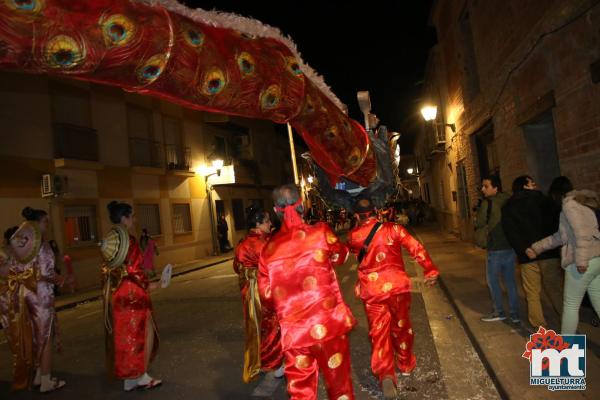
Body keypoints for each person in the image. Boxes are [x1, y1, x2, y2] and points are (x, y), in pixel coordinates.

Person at [258, 184, 356, 400]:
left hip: (295, 334)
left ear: (276, 211)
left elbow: (265, 297)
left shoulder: (267, 251)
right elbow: (341, 255)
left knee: (300, 392)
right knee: (339, 386)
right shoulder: (321, 233)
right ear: (302, 205)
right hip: (328, 326)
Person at [347, 197, 439, 399]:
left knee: (378, 332)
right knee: (401, 326)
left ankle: (385, 374)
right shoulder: (394, 229)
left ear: (356, 216)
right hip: (397, 287)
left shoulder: (354, 236)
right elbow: (416, 247)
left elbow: (355, 254)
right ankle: (405, 363)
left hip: (371, 291)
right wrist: (430, 270)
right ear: (376, 211)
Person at [6, 208, 67, 392]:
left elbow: (13, 268)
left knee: (35, 336)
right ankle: (47, 381)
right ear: (37, 223)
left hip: (25, 294)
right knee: (46, 336)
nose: (47, 225)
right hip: (41, 295)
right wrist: (60, 279)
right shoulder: (42, 244)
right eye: (45, 221)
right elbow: (47, 273)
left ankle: (39, 375)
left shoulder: (19, 242)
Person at [104, 201, 161, 391]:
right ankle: (142, 375)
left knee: (125, 336)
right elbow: (135, 270)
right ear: (124, 219)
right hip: (133, 291)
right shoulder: (129, 240)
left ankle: (130, 378)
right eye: (132, 216)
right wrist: (150, 284)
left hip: (117, 292)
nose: (135, 219)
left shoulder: (110, 240)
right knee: (145, 331)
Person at [527, 188, 600, 334]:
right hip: (596, 259)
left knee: (571, 306)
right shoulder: (587, 206)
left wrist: (581, 261)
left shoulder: (570, 205)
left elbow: (582, 233)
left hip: (581, 261)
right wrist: (537, 248)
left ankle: (567, 350)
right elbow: (561, 236)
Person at [502, 175, 562, 329]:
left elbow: (511, 232)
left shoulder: (510, 206)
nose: (535, 184)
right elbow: (556, 227)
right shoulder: (546, 202)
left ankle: (539, 326)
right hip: (548, 253)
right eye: (531, 183)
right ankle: (567, 318)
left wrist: (524, 249)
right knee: (555, 288)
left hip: (527, 256)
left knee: (532, 292)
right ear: (524, 186)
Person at [233, 206, 283, 383]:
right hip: (262, 290)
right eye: (267, 221)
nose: (270, 223)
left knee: (255, 327)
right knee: (272, 325)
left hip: (248, 292)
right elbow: (275, 267)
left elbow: (236, 267)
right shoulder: (262, 244)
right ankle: (273, 364)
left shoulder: (243, 244)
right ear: (258, 224)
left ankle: (260, 361)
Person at [475, 176, 520, 323]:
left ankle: (499, 311)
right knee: (510, 282)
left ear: (495, 188)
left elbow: (480, 222)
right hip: (510, 247)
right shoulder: (510, 200)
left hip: (495, 248)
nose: (483, 189)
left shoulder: (487, 203)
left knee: (493, 282)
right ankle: (515, 314)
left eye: (486, 186)